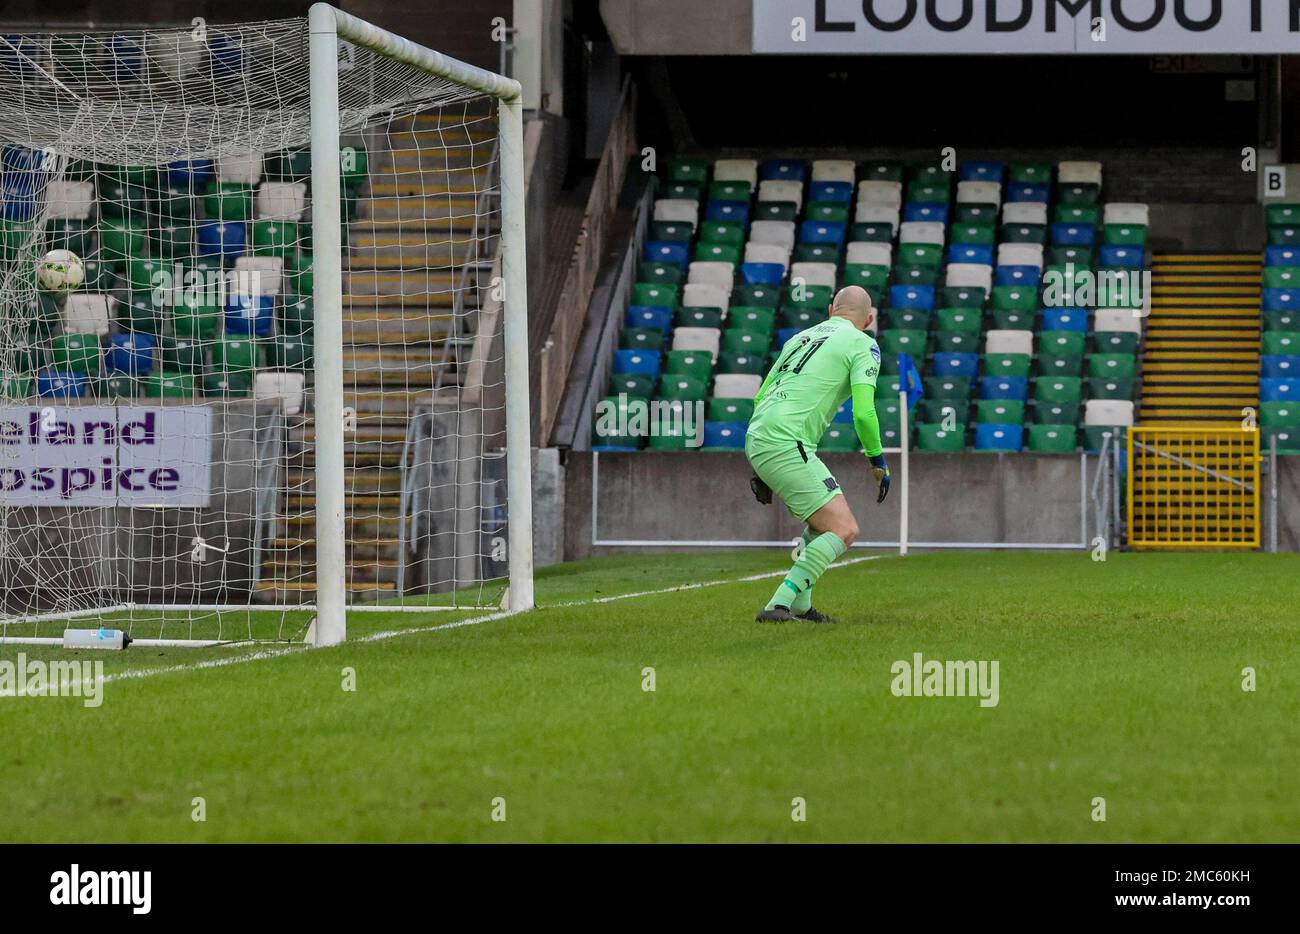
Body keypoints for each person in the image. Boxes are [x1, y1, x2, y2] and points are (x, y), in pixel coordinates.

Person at [744, 285, 890, 623]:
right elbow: (864, 414)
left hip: (760, 435)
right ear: (868, 320)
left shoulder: (798, 339)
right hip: (786, 441)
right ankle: (777, 604)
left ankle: (800, 606)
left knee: (821, 523)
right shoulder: (863, 343)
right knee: (845, 529)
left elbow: (759, 397)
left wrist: (759, 466)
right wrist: (877, 459)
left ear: (830, 309)